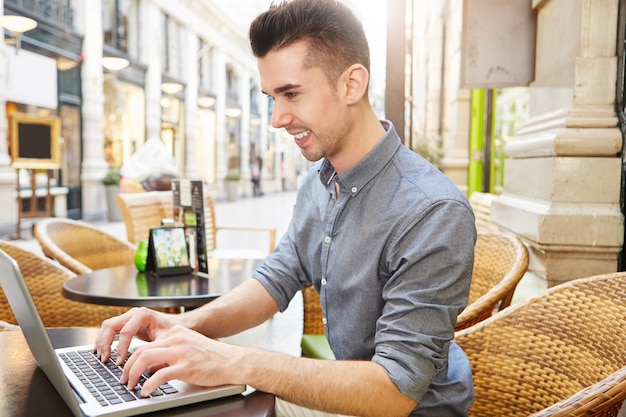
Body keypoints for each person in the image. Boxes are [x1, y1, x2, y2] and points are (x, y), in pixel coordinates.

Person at [94, 1, 477, 416]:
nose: (277, 119)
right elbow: (278, 277)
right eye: (271, 97)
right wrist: (183, 325)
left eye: (291, 93)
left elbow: (394, 391)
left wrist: (235, 361)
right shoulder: (319, 179)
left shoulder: (432, 211)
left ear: (352, 84)